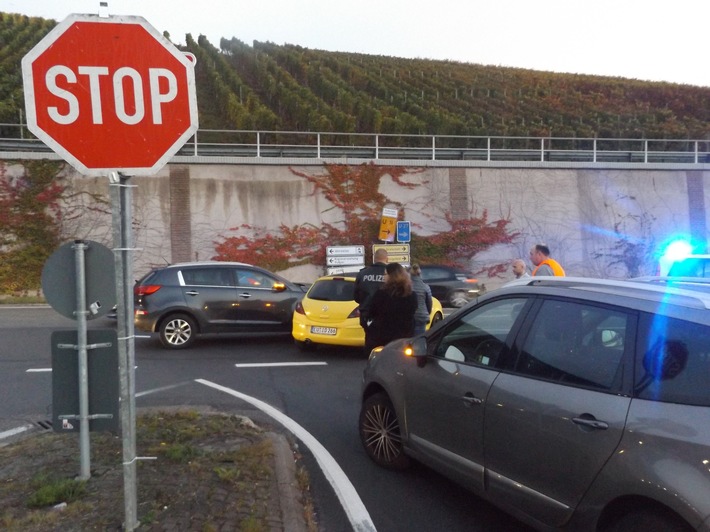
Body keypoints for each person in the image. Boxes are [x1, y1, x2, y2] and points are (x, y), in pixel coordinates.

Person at [365, 263, 418, 354]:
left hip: (382, 338)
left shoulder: (381, 294)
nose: (383, 277)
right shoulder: (411, 295)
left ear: (392, 276)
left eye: (385, 274)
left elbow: (371, 312)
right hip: (404, 338)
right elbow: (412, 313)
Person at [354, 248, 388, 330]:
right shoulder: (391, 273)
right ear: (387, 259)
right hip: (386, 315)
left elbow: (356, 297)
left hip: (366, 315)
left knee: (370, 339)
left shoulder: (362, 273)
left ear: (374, 259)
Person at [409, 264, 433, 335]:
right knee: (419, 339)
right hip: (422, 316)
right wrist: (427, 313)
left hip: (410, 317)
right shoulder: (425, 287)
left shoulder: (407, 287)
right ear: (420, 274)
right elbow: (429, 302)